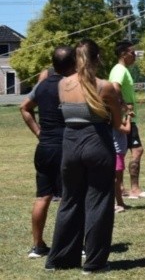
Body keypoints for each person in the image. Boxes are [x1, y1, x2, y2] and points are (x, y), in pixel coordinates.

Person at [45, 39, 128, 273]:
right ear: (97, 58)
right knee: (98, 202)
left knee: (70, 201)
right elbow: (117, 123)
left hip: (70, 144)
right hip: (97, 143)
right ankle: (94, 262)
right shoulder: (105, 87)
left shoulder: (63, 84)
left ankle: (60, 259)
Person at [19, 45, 75, 258]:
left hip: (44, 147)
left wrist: (38, 132)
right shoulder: (69, 85)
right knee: (71, 198)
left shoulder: (42, 86)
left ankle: (38, 245)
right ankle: (72, 245)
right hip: (65, 146)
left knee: (43, 196)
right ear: (73, 63)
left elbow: (24, 107)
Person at [109, 40, 145, 199]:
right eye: (132, 53)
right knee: (136, 150)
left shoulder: (122, 70)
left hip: (126, 118)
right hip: (125, 119)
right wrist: (125, 107)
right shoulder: (119, 69)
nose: (135, 56)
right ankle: (134, 189)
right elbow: (115, 87)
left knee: (121, 152)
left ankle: (120, 188)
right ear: (123, 54)